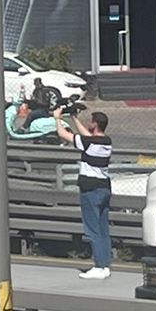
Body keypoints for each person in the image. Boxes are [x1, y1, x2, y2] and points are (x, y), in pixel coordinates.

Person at [54, 106, 114, 279]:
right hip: (104, 189)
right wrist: (74, 117)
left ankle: (99, 266)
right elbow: (87, 136)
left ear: (95, 124)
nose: (88, 124)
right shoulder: (106, 142)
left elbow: (63, 135)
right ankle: (105, 265)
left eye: (90, 121)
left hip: (91, 190)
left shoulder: (89, 143)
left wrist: (57, 118)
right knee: (103, 229)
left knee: (93, 229)